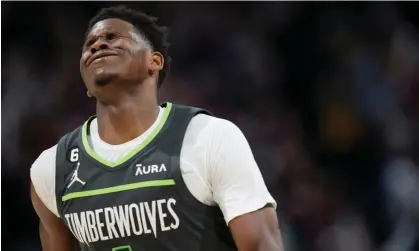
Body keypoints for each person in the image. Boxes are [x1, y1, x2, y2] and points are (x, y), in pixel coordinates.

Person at [30, 5, 283, 251]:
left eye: (112, 37)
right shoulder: (51, 169)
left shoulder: (209, 138)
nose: (97, 45)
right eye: (89, 44)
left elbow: (262, 245)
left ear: (154, 61)